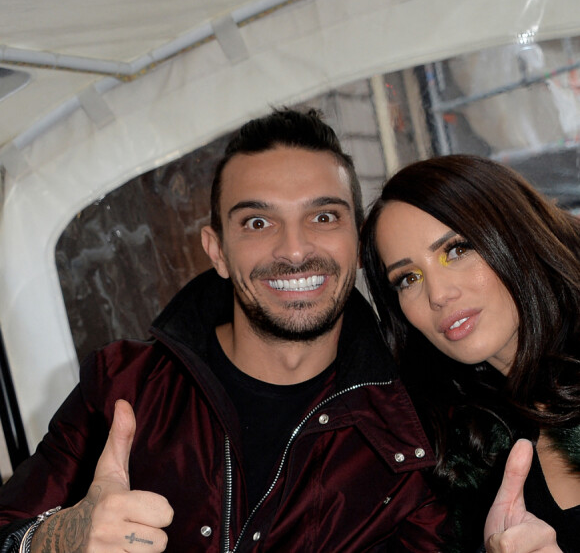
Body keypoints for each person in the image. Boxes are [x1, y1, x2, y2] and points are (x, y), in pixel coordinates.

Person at [0, 108, 449, 552]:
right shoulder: (123, 387)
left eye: (324, 217)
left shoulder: (413, 432)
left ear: (357, 240)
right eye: (258, 222)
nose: (294, 250)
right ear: (216, 250)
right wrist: (53, 541)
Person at [360, 154, 580, 552]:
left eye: (457, 249)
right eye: (408, 278)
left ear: (517, 232)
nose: (439, 294)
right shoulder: (467, 452)